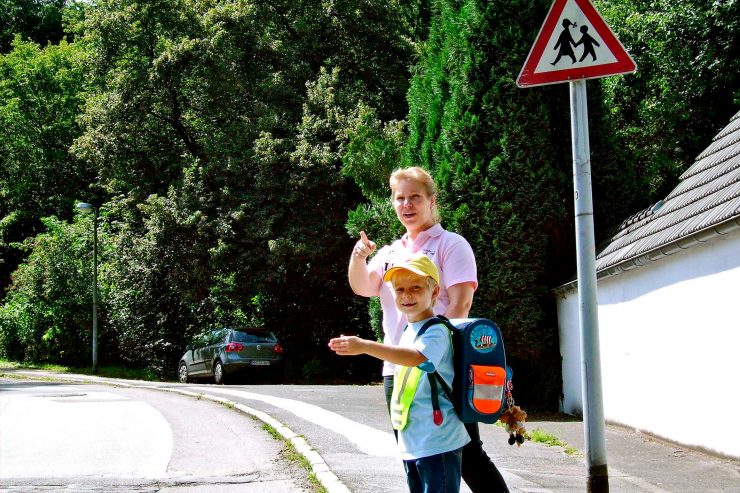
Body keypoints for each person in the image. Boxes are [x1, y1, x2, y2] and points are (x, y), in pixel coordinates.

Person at [347, 166, 509, 493]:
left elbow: (460, 304)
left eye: (415, 197)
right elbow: (363, 286)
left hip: (439, 367)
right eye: (400, 198)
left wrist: (435, 353)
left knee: (467, 454)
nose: (407, 204)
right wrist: (359, 257)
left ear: (431, 201)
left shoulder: (452, 244)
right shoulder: (391, 252)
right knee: (413, 454)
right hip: (396, 367)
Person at [330, 254, 470, 493]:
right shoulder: (409, 329)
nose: (406, 295)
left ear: (434, 293)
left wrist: (365, 346)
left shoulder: (436, 331)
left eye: (416, 288)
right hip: (415, 439)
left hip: (438, 440)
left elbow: (417, 358)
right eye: (400, 289)